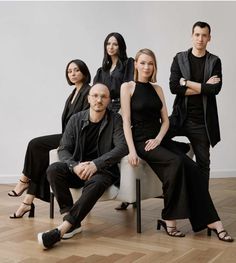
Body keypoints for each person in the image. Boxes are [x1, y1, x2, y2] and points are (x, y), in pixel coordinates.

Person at [120, 48, 233, 242]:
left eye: (151, 63)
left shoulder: (158, 89)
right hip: (141, 141)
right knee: (175, 162)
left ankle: (213, 221)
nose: (147, 67)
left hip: (158, 138)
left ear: (154, 66)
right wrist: (131, 150)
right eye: (143, 62)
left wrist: (158, 138)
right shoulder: (127, 87)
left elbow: (165, 121)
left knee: (194, 168)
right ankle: (170, 219)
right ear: (136, 64)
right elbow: (126, 121)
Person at [37, 83, 128, 249]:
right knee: (53, 169)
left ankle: (63, 229)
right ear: (88, 98)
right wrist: (74, 166)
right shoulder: (76, 119)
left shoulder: (115, 119)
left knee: (98, 182)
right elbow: (64, 148)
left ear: (109, 100)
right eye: (95, 96)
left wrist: (96, 164)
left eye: (103, 96)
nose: (99, 100)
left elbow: (122, 147)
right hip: (78, 169)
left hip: (102, 171)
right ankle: (72, 221)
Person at [8, 59, 91, 218]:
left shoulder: (88, 91)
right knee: (41, 159)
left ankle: (24, 180)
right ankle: (27, 201)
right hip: (67, 135)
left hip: (77, 138)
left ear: (84, 72)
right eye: (69, 71)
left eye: (76, 70)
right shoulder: (73, 93)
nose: (72, 74)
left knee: (35, 144)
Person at [167, 21, 222, 188]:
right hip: (180, 117)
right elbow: (173, 87)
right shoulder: (180, 58)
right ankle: (181, 155)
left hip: (201, 122)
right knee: (155, 138)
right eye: (197, 35)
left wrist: (186, 82)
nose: (200, 39)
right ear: (192, 36)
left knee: (204, 163)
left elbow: (215, 89)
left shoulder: (214, 61)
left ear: (209, 38)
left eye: (204, 35)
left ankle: (202, 202)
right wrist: (203, 86)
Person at [93, 32, 134, 113]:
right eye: (108, 44)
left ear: (121, 46)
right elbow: (95, 93)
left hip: (122, 107)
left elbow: (131, 88)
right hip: (104, 109)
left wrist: (122, 110)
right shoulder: (102, 71)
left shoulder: (128, 63)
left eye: (115, 44)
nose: (111, 47)